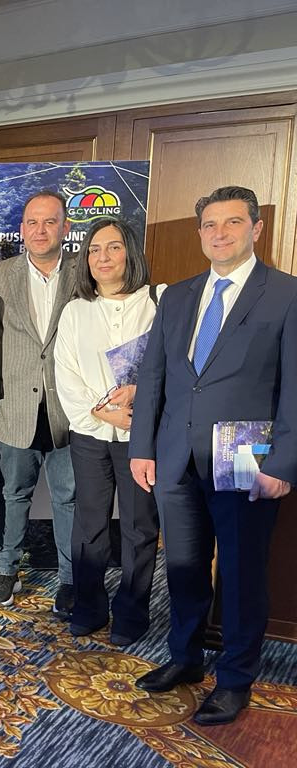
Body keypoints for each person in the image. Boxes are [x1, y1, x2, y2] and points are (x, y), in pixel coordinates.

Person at [129, 186, 297, 725]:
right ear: (199, 232)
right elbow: (153, 376)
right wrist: (142, 447)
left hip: (247, 453)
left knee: (242, 573)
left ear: (256, 229)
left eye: (232, 222)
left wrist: (283, 463)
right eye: (209, 225)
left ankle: (235, 678)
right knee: (183, 566)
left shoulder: (286, 294)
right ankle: (185, 658)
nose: (219, 233)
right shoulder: (177, 296)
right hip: (175, 454)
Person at [53, 217, 161, 646]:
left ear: (129, 252)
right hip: (91, 435)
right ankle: (89, 606)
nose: (103, 257)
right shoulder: (76, 311)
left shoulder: (158, 303)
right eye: (94, 250)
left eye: (113, 247)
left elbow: (171, 369)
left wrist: (136, 410)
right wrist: (102, 414)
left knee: (139, 526)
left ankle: (132, 612)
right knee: (89, 525)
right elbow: (66, 375)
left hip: (142, 437)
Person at [0, 191, 77, 617]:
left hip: (70, 409)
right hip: (14, 407)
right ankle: (5, 569)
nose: (40, 230)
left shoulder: (84, 273)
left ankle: (70, 580)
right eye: (32, 222)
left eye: (50, 222)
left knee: (68, 497)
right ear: (21, 230)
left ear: (65, 228)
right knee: (13, 492)